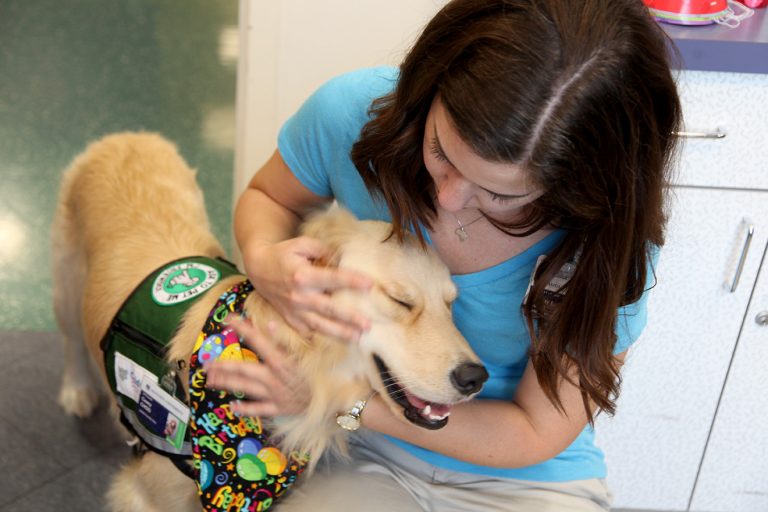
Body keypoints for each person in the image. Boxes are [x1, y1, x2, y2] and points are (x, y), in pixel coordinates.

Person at [205, 0, 682, 509]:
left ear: (576, 185)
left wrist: (347, 403)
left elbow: (533, 432)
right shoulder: (353, 113)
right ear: (430, 83)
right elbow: (270, 199)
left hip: (525, 478)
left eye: (500, 194)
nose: (449, 199)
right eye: (441, 151)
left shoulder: (606, 243)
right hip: (363, 450)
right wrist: (263, 259)